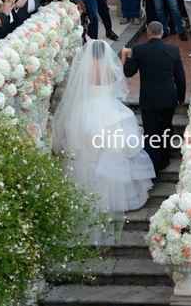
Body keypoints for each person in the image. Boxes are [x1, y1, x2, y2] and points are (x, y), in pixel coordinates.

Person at [52, 40, 155, 224]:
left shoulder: (85, 70)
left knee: (87, 152)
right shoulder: (109, 67)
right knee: (114, 151)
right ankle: (119, 197)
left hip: (88, 110)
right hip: (109, 110)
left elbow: (78, 89)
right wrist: (122, 58)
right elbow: (120, 86)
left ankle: (90, 195)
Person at [121, 22, 186, 174]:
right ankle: (165, 159)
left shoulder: (139, 50)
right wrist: (181, 98)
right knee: (166, 128)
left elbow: (128, 72)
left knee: (151, 132)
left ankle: (153, 165)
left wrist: (126, 56)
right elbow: (181, 78)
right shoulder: (173, 50)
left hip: (148, 99)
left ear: (148, 33)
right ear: (162, 33)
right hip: (168, 98)